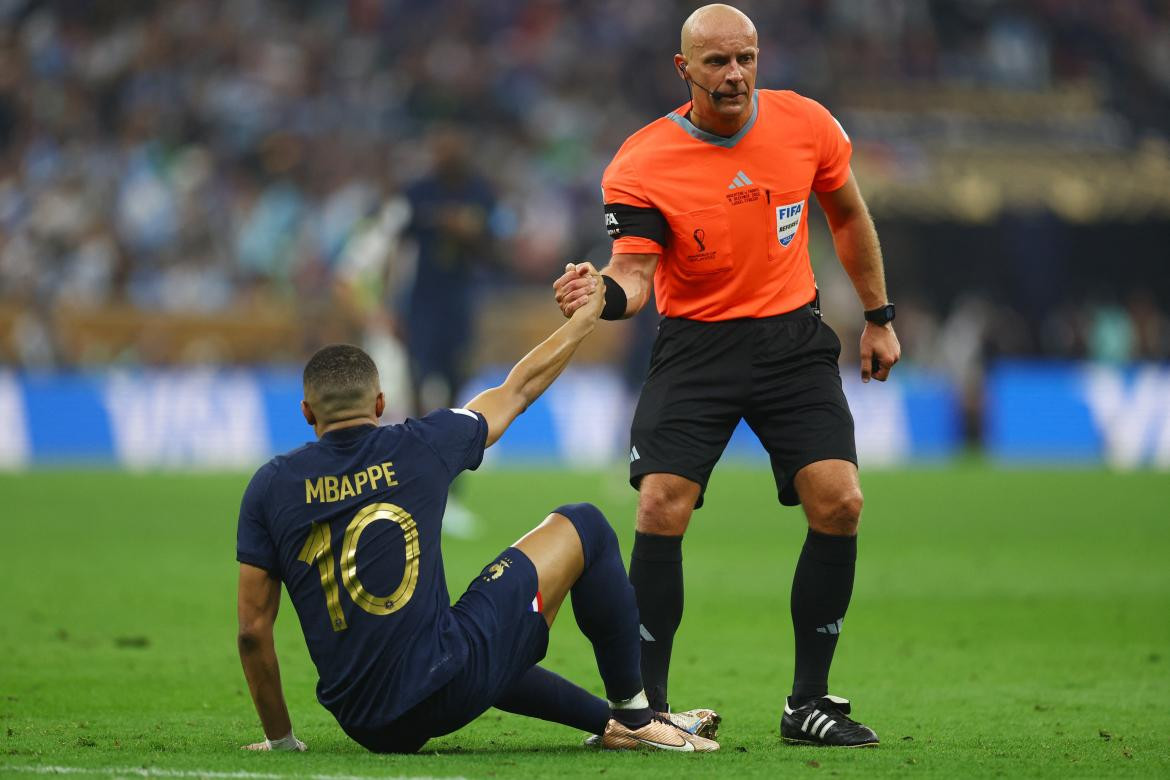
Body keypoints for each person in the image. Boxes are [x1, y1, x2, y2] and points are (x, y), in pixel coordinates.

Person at [553, 3, 900, 748]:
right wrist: (600, 296)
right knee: (661, 508)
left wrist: (878, 313)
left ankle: (809, 704)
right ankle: (648, 709)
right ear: (684, 70)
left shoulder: (807, 124)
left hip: (793, 339)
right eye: (716, 62)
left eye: (745, 57)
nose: (734, 73)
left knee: (840, 503)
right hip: (698, 347)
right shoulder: (642, 161)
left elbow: (846, 213)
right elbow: (635, 276)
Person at [235, 273, 719, 754]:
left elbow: (253, 632)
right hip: (442, 683)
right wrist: (584, 321)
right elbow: (517, 390)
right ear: (380, 404)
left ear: (305, 412)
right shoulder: (420, 445)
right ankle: (635, 715)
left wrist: (279, 740)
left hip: (366, 723)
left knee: (465, 642)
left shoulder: (270, 486)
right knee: (584, 523)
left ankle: (614, 724)